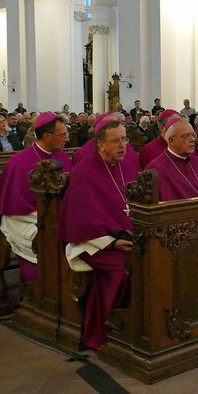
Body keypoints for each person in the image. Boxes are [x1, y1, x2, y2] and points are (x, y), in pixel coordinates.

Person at [57, 118, 138, 351]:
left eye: (125, 139)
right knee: (123, 270)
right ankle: (101, 329)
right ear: (100, 144)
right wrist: (112, 243)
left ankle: (135, 325)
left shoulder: (129, 166)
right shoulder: (84, 171)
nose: (123, 145)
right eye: (116, 141)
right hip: (93, 243)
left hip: (128, 238)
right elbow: (83, 219)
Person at [0, 112, 72, 287]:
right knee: (47, 246)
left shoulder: (62, 156)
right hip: (23, 220)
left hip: (59, 218)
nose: (67, 139)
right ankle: (38, 293)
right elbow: (15, 205)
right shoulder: (18, 162)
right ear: (47, 136)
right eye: (63, 135)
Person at [145, 117, 198, 200]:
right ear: (171, 140)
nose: (192, 139)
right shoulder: (155, 169)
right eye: (186, 136)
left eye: (193, 135)